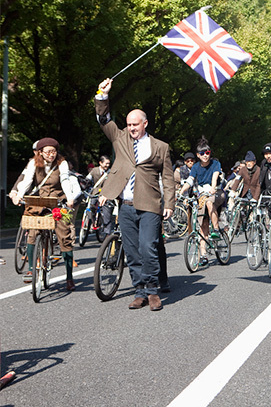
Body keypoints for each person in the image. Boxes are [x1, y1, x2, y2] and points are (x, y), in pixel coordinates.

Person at [94, 78, 175, 312]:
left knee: (148, 246)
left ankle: (152, 291)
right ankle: (139, 291)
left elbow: (168, 177)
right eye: (129, 124)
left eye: (135, 125)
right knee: (131, 250)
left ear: (145, 124)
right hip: (126, 205)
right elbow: (103, 119)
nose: (131, 128)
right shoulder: (120, 139)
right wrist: (102, 94)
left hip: (150, 204)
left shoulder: (161, 147)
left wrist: (168, 202)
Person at [12, 138, 80, 290]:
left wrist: (69, 198)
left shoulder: (61, 163)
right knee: (32, 232)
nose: (51, 154)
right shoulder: (33, 163)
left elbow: (65, 180)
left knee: (64, 236)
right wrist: (18, 195)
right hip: (38, 202)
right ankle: (31, 268)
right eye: (48, 152)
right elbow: (27, 181)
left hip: (58, 202)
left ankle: (69, 277)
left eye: (54, 151)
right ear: (41, 152)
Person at [179, 137, 225, 265]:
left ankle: (216, 229)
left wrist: (213, 187)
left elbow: (215, 176)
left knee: (210, 203)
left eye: (207, 153)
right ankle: (203, 255)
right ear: (198, 155)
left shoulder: (215, 163)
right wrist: (180, 192)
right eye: (202, 154)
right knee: (202, 225)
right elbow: (190, 180)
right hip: (202, 195)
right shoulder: (195, 167)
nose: (205, 156)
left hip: (216, 193)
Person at [85, 155, 114, 237]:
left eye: (109, 164)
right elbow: (88, 178)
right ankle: (92, 222)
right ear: (100, 163)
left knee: (107, 212)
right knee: (91, 207)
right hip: (95, 193)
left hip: (106, 194)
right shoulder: (94, 171)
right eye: (106, 163)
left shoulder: (110, 172)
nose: (107, 165)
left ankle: (107, 233)